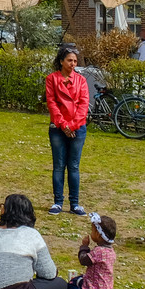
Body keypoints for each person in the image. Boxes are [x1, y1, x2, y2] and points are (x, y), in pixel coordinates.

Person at [45, 44, 90, 216]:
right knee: (58, 166)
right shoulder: (52, 79)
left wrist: (72, 126)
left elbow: (83, 105)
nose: (73, 64)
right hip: (58, 128)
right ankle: (57, 202)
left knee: (73, 166)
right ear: (61, 61)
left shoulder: (81, 81)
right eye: (70, 60)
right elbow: (52, 104)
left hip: (77, 128)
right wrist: (63, 125)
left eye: (75, 61)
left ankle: (75, 203)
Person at [68, 213, 117, 289]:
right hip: (106, 286)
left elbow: (83, 260)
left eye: (92, 231)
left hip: (93, 285)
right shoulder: (112, 252)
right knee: (82, 277)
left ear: (98, 234)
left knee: (71, 285)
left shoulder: (98, 251)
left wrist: (84, 247)